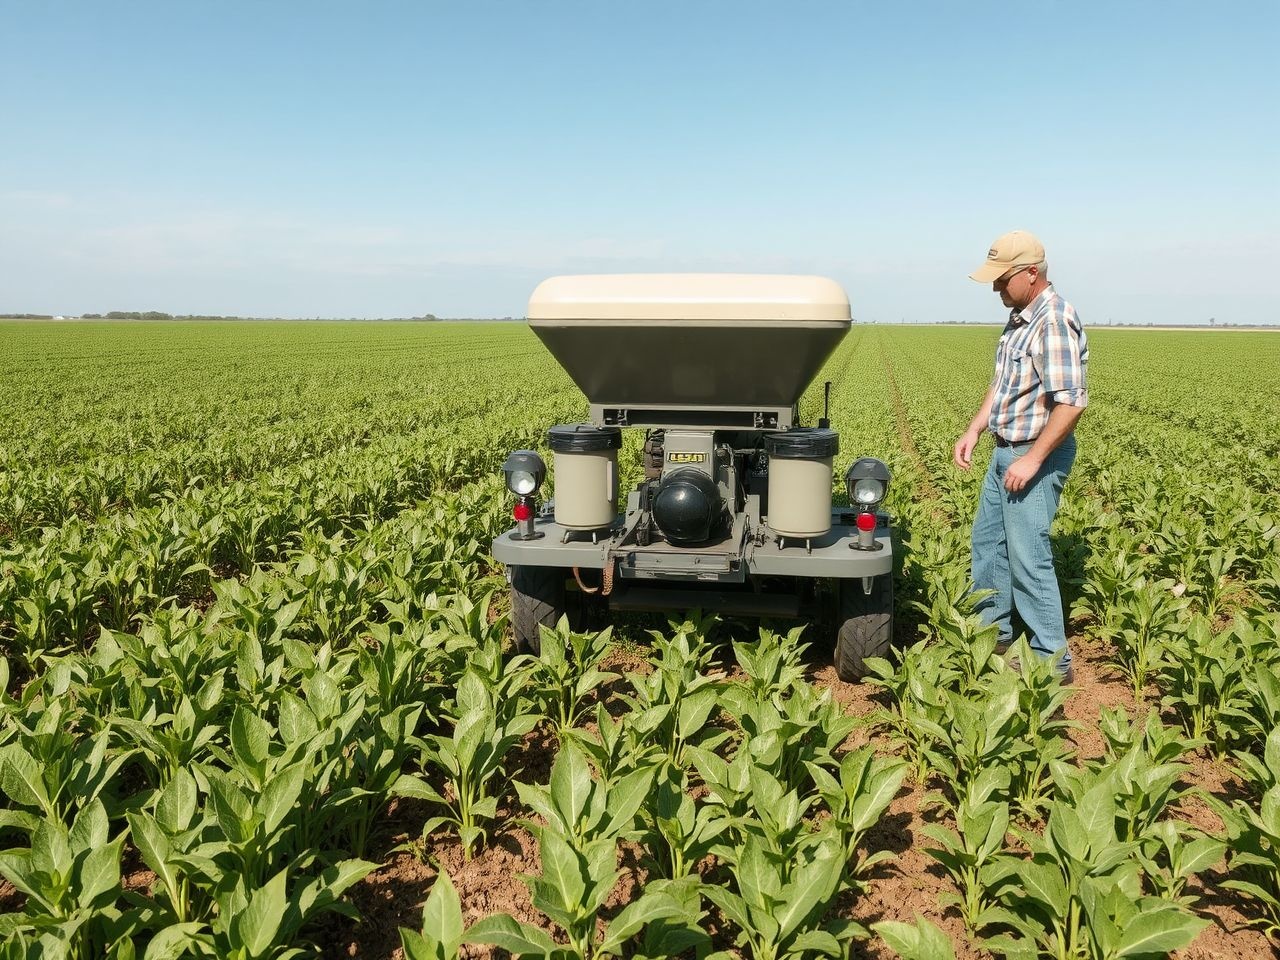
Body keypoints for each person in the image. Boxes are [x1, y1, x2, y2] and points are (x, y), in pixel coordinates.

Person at [952, 230, 1088, 682]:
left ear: (1032, 273)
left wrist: (1032, 460)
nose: (995, 288)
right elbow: (1004, 385)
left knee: (1029, 555)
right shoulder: (1020, 318)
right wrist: (975, 428)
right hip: (1004, 451)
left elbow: (1070, 401)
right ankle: (993, 635)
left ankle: (1054, 660)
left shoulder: (1052, 320)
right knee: (988, 546)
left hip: (1033, 453)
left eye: (1002, 278)